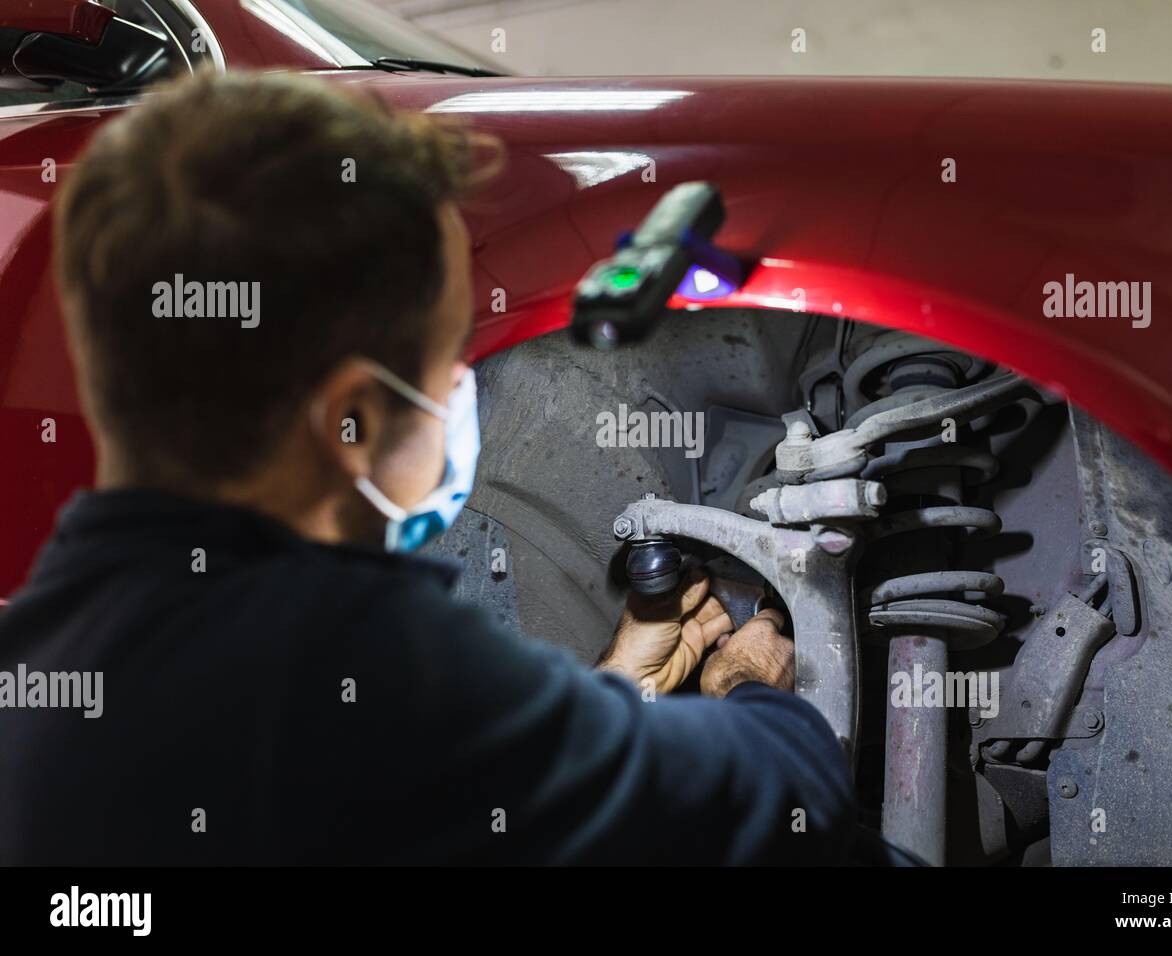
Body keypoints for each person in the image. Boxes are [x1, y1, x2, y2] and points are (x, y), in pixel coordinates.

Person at [0, 71, 855, 865]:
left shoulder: (36, 661)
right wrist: (755, 694)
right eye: (449, 365)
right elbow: (771, 799)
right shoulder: (373, 676)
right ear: (355, 419)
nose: (465, 392)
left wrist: (614, 695)